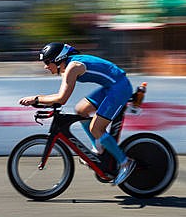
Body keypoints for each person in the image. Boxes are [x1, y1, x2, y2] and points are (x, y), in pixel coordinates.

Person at [18, 42, 136, 185]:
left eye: (47, 62)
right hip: (111, 86)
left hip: (119, 88)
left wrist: (36, 99)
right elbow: (60, 97)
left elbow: (61, 99)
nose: (45, 66)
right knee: (81, 110)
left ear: (58, 59)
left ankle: (125, 162)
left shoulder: (73, 67)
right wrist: (41, 100)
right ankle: (99, 148)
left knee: (96, 128)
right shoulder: (68, 66)